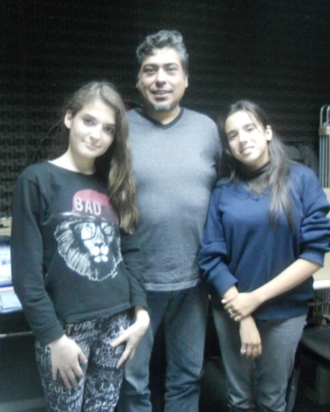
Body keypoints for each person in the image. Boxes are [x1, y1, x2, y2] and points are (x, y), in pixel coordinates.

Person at [11, 81, 150, 412]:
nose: (96, 135)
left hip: (118, 323)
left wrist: (142, 314)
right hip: (66, 329)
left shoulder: (115, 184)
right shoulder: (36, 180)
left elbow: (131, 255)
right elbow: (26, 275)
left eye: (108, 128)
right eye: (89, 121)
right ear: (69, 117)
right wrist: (54, 338)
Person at [198, 100, 330, 411]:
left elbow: (314, 254)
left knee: (273, 399)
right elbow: (210, 257)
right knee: (238, 398)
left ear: (267, 132)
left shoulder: (301, 179)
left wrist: (256, 298)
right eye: (233, 135)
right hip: (232, 311)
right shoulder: (222, 191)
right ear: (228, 146)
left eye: (250, 129)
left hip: (284, 313)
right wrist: (244, 313)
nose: (242, 139)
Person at [117, 30, 221, 412]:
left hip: (194, 281)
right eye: (150, 70)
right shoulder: (119, 129)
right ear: (139, 80)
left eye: (170, 69)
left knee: (187, 376)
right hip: (136, 282)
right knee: (132, 380)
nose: (160, 79)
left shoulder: (207, 130)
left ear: (186, 79)